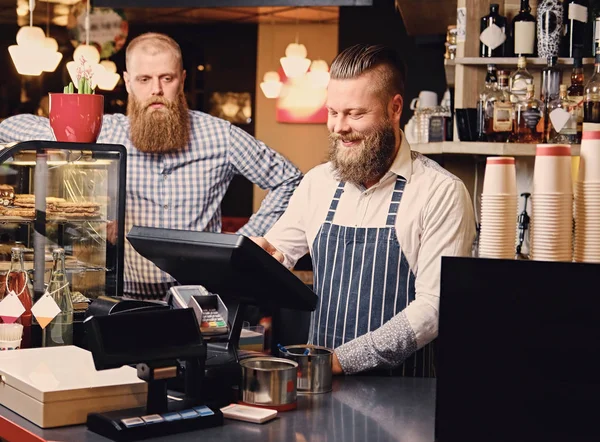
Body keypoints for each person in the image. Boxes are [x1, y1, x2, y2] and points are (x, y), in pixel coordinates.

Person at [0, 32, 302, 299]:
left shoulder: (220, 136)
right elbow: (11, 129)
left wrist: (242, 243)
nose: (156, 90)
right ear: (129, 82)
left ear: (181, 80)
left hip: (201, 296)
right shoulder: (103, 132)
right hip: (124, 295)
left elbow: (290, 180)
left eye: (166, 78)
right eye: (144, 80)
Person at [253, 44, 476, 376]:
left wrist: (342, 360)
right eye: (333, 112)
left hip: (403, 395)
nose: (339, 127)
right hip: (322, 386)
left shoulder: (440, 192)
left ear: (395, 108)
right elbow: (277, 254)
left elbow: (433, 309)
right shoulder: (318, 184)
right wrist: (255, 262)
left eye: (355, 114)